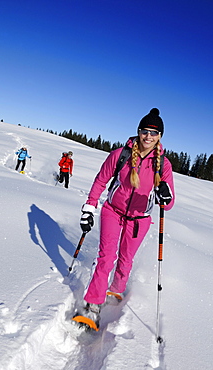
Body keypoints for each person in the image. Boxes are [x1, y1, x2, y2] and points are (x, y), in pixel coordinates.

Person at [76, 108, 175, 328]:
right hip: (113, 211)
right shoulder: (120, 155)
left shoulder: (164, 165)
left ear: (160, 136)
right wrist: (89, 208)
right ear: (138, 131)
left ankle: (117, 289)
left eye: (154, 132)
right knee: (106, 257)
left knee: (125, 258)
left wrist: (164, 195)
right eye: (145, 131)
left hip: (140, 219)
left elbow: (168, 204)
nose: (148, 136)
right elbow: (100, 182)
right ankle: (93, 306)